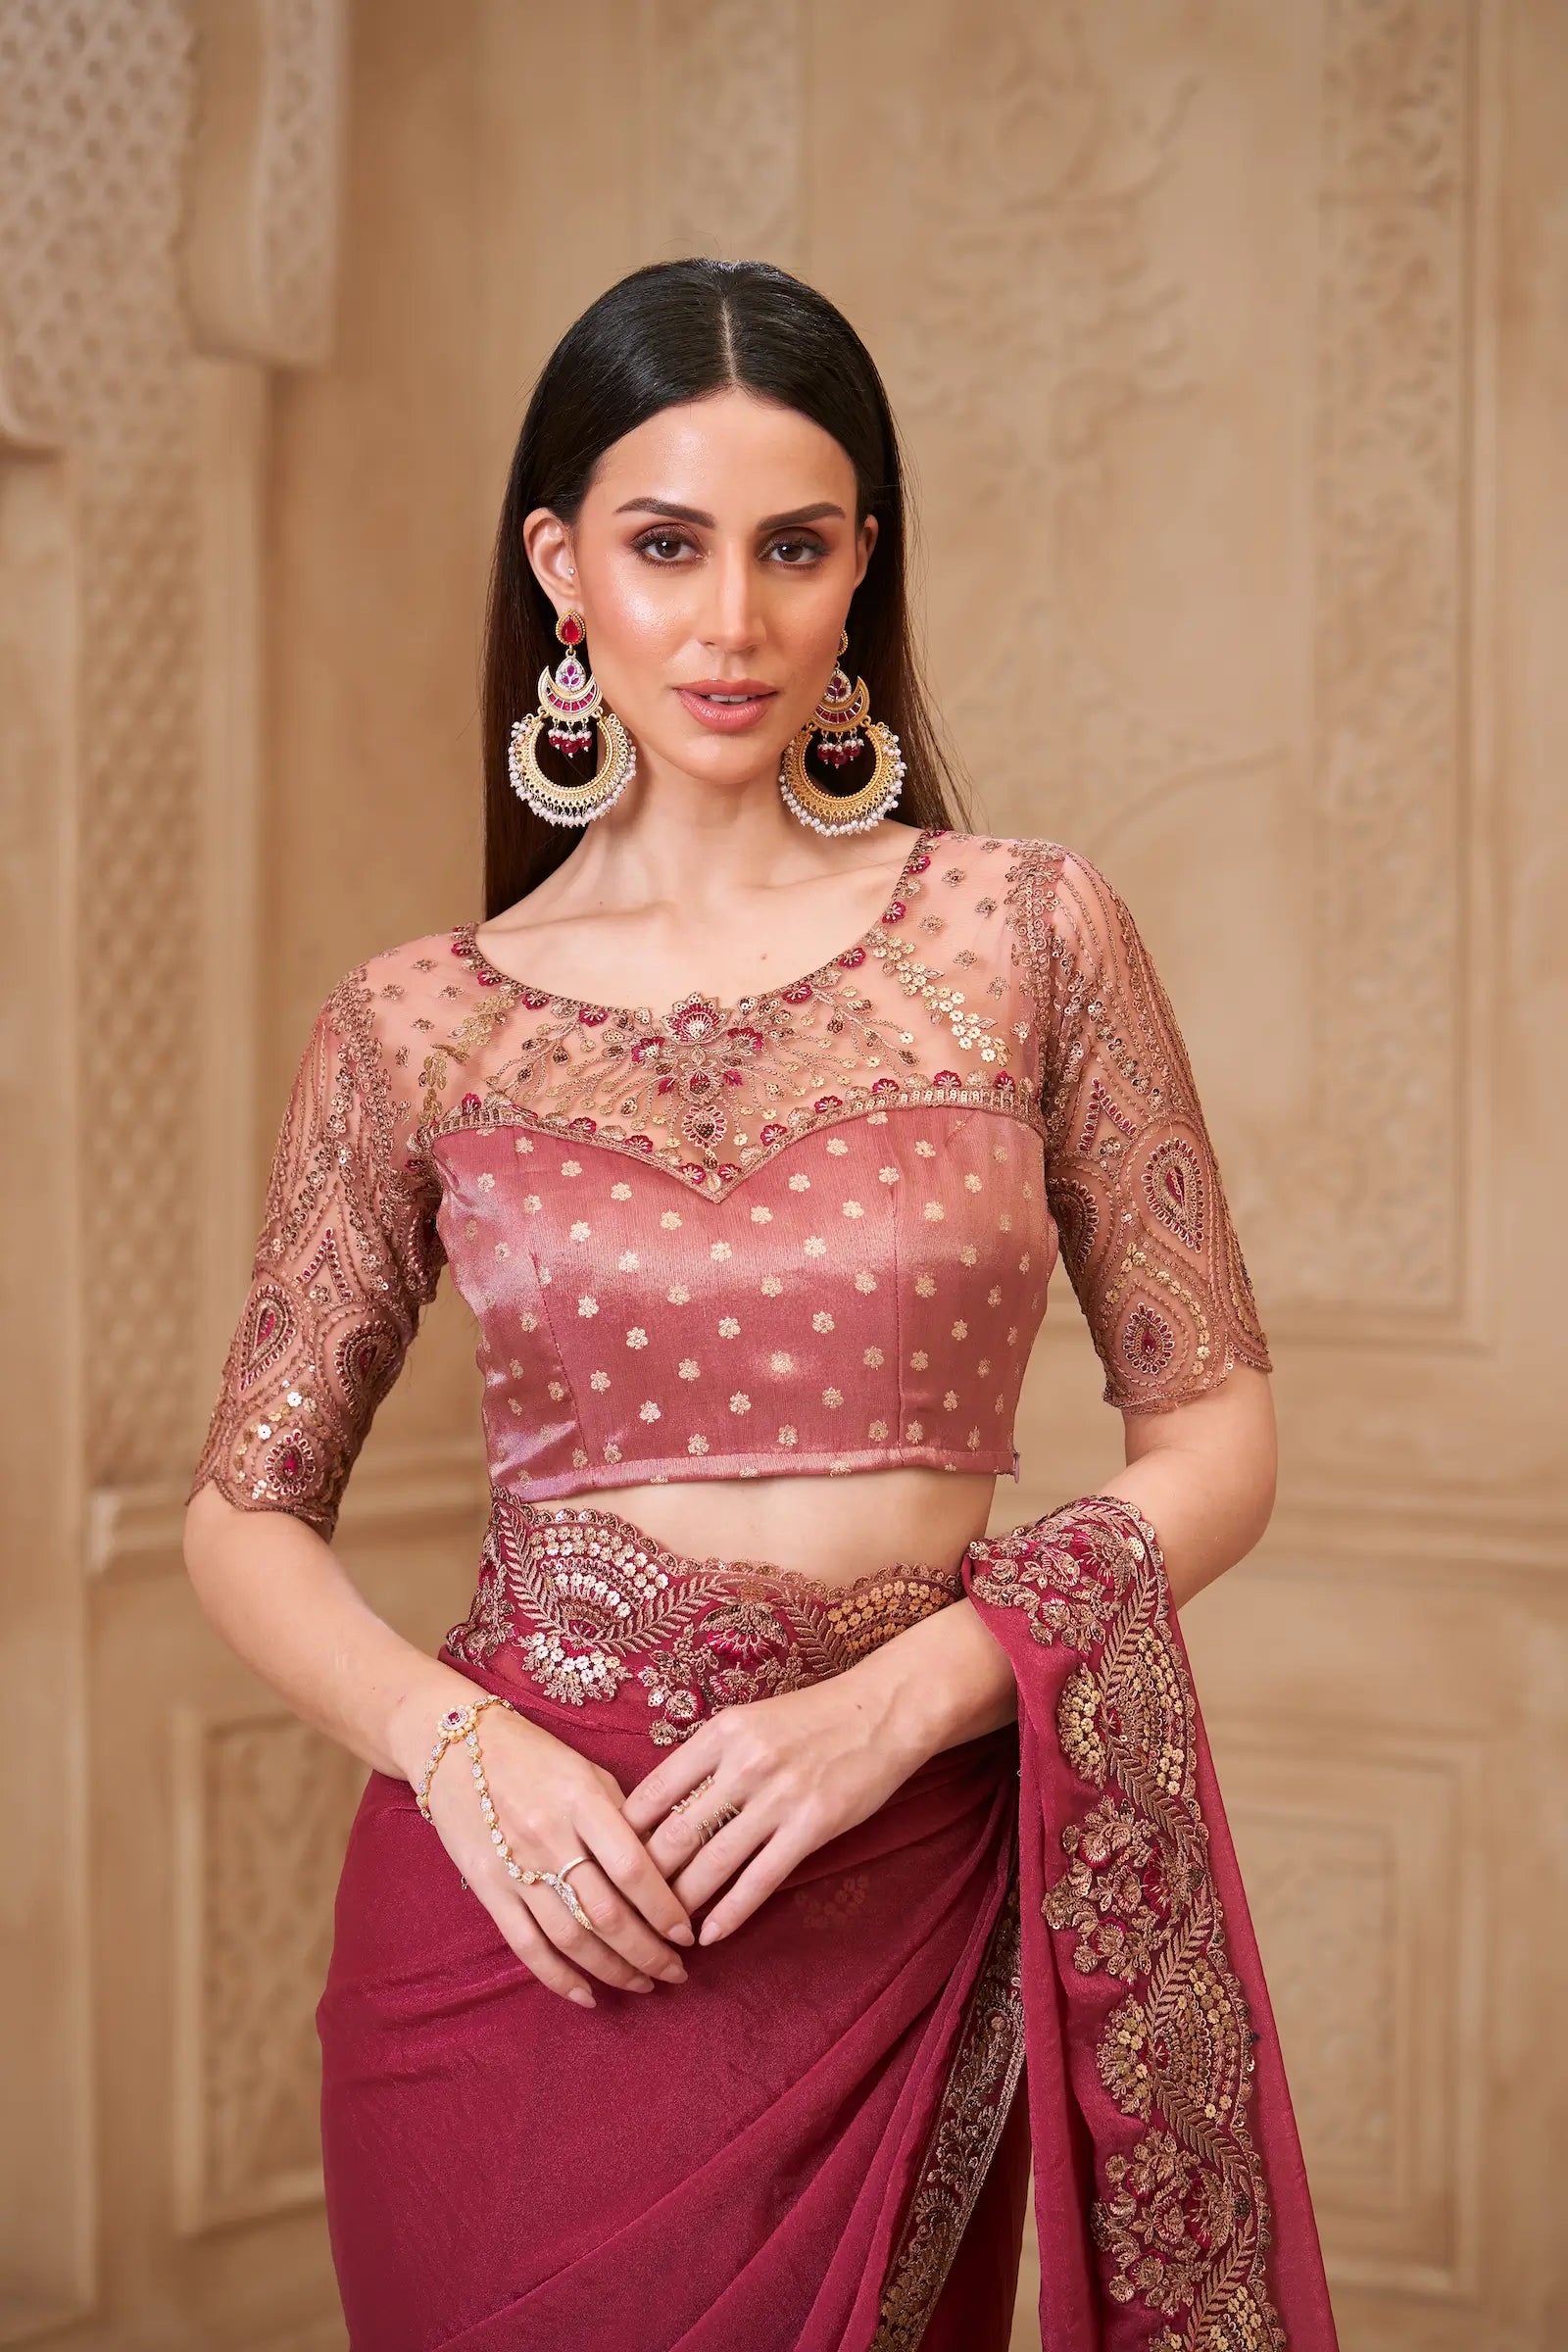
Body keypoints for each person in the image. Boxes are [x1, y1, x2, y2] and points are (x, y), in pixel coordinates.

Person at [183, 258, 1339, 2352]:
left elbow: (1220, 1442)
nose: (731, 620)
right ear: (563, 570)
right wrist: (464, 1754)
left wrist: (909, 1701)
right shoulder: (415, 1025)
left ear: (858, 568)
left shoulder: (1022, 933)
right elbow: (240, 1517)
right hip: (535, 1912)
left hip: (900, 1880)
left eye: (792, 549)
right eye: (666, 546)